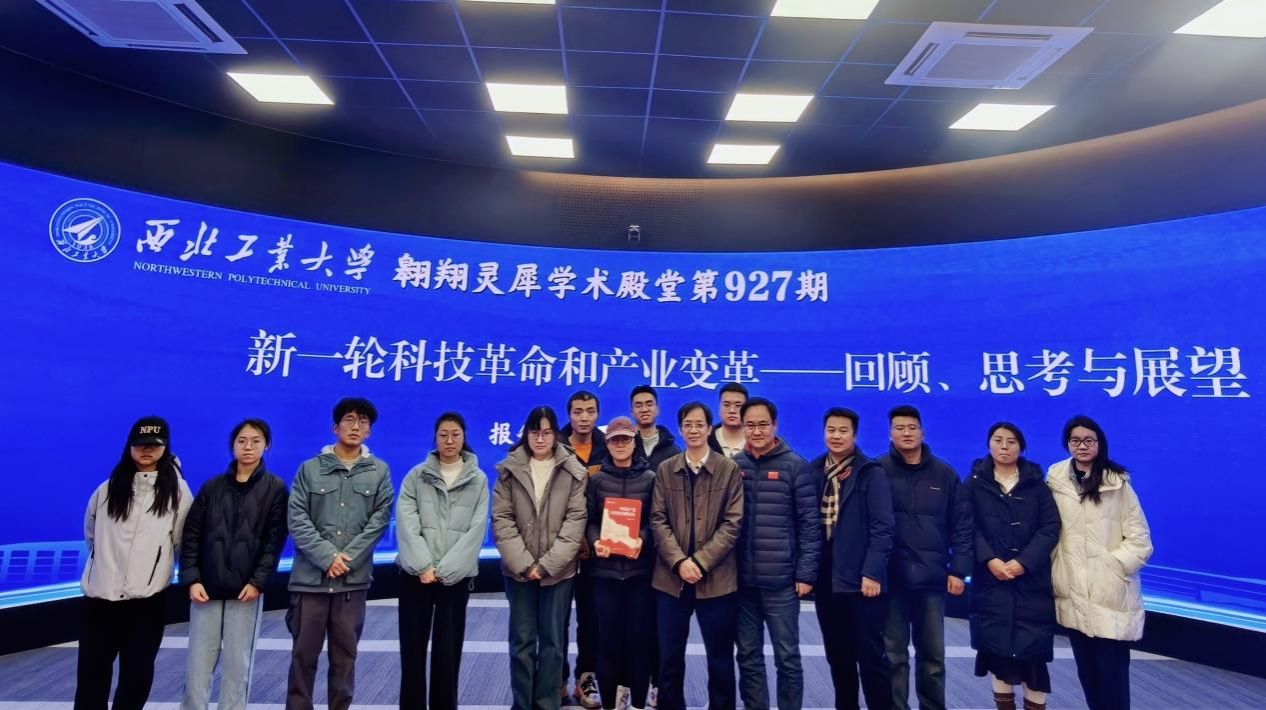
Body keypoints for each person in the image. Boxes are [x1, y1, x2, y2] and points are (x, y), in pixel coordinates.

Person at [76, 416, 192, 710]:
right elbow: (91, 534)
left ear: (165, 447)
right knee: (91, 676)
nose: (146, 450)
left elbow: (181, 541)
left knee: (136, 676)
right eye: (140, 444)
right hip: (100, 599)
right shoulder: (107, 489)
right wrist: (104, 568)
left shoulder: (178, 493)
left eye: (154, 444)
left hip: (146, 602)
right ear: (129, 446)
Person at [286, 397, 394, 710]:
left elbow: (379, 521)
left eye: (363, 422)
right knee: (302, 657)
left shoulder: (379, 471)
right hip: (310, 583)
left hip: (352, 583)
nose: (356, 426)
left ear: (369, 431)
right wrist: (327, 558)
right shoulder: (309, 469)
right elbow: (297, 518)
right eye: (349, 419)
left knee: (344, 660)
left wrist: (346, 560)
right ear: (335, 427)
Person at [180, 418, 289, 710]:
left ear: (267, 446)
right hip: (206, 589)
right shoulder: (212, 487)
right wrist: (192, 579)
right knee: (197, 663)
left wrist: (258, 582)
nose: (248, 447)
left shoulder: (276, 489)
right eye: (242, 441)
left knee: (237, 664)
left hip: (246, 591)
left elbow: (274, 541)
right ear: (232, 446)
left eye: (255, 441)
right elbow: (191, 534)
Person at [1047, 415, 1152, 710]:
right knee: (1088, 673)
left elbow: (1140, 540)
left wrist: (1114, 567)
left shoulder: (1117, 483)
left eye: (1088, 440)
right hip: (1073, 591)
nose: (1082, 446)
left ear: (1099, 443)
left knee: (1112, 676)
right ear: (1067, 443)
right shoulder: (1055, 479)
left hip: (1109, 594)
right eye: (1075, 440)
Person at [493, 405, 589, 710]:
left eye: (547, 432)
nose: (540, 438)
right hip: (518, 572)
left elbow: (575, 522)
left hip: (558, 573)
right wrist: (525, 564)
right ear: (526, 434)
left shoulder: (573, 470)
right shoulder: (508, 470)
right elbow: (502, 520)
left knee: (552, 643)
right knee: (521, 642)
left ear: (555, 434)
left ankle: (547, 703)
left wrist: (547, 565)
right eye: (535, 432)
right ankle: (522, 703)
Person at [877, 405, 972, 710]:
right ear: (890, 433)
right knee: (893, 657)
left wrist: (958, 570)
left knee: (932, 659)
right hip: (891, 579)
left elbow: (962, 526)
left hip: (932, 580)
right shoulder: (877, 471)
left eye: (912, 427)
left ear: (922, 432)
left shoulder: (944, 474)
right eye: (899, 428)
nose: (906, 433)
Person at [651, 401, 744, 710]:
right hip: (670, 579)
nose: (693, 430)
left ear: (709, 428)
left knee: (720, 657)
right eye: (687, 425)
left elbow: (733, 523)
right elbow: (657, 520)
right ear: (680, 429)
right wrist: (680, 562)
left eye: (699, 424)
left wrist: (700, 562)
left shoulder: (728, 469)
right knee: (669, 656)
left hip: (717, 580)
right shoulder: (666, 469)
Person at [396, 412, 490, 710]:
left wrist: (447, 571)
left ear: (464, 438)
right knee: (412, 651)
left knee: (448, 653)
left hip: (455, 578)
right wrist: (423, 566)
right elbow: (406, 524)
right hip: (416, 576)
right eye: (443, 435)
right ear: (435, 438)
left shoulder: (478, 479)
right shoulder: (417, 475)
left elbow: (477, 530)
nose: (449, 440)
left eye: (455, 434)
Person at [732, 397, 820, 710]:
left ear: (775, 426)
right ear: (742, 427)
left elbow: (810, 525)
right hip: (743, 582)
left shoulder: (795, 466)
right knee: (748, 655)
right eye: (750, 425)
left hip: (782, 582)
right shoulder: (734, 466)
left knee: (787, 657)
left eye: (763, 424)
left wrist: (806, 573)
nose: (756, 431)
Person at [964, 423, 1060, 710]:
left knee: (1034, 661)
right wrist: (989, 559)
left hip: (1031, 583)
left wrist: (1023, 563)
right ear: (989, 444)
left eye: (1011, 441)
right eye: (998, 440)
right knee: (998, 656)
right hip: (991, 582)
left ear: (1021, 447)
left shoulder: (1037, 485)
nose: (1004, 446)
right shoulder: (973, 483)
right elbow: (966, 526)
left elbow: (1050, 527)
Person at [810, 407, 894, 710]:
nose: (836, 436)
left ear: (854, 435)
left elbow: (883, 528)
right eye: (831, 430)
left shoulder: (870, 472)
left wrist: (872, 572)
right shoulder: (813, 470)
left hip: (862, 579)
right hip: (827, 577)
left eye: (843, 431)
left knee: (871, 658)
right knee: (838, 656)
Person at [586, 416, 657, 710]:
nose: (620, 444)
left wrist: (642, 539)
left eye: (625, 439)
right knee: (608, 642)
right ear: (607, 443)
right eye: (615, 440)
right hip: (605, 575)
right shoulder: (596, 479)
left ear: (634, 442)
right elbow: (590, 521)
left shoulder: (650, 478)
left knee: (639, 642)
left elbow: (655, 521)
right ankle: (610, 703)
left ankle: (637, 702)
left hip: (640, 575)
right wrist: (595, 541)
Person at [559, 390, 606, 708]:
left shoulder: (608, 446)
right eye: (578, 411)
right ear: (570, 414)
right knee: (557, 619)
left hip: (598, 549)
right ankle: (557, 678)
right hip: (560, 547)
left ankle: (585, 678)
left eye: (590, 411)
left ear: (597, 414)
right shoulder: (554, 446)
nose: (584, 417)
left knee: (592, 618)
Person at [631, 385, 681, 472]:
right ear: (632, 412)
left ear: (657, 409)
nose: (644, 409)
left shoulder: (674, 452)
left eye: (649, 404)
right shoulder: (626, 449)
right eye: (638, 405)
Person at [707, 382, 748, 458]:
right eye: (726, 405)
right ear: (719, 407)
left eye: (738, 405)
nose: (732, 410)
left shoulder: (756, 439)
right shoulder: (705, 438)